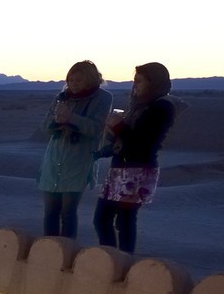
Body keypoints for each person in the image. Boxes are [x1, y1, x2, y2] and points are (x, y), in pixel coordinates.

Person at [94, 62, 177, 253]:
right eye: (134, 81)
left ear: (153, 82)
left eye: (139, 81)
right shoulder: (140, 106)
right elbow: (126, 138)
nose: (135, 86)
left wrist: (118, 127)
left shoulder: (161, 108)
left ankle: (119, 263)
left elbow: (142, 142)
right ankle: (112, 260)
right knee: (106, 219)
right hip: (122, 168)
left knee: (121, 220)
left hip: (137, 171)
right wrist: (113, 131)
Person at [38, 60, 113, 239]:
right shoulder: (62, 97)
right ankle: (48, 250)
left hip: (78, 161)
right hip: (54, 159)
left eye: (78, 80)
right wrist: (57, 121)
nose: (73, 84)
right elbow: (45, 127)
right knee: (50, 212)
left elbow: (96, 128)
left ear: (90, 79)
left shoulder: (103, 97)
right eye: (70, 80)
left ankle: (66, 252)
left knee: (68, 212)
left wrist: (71, 118)